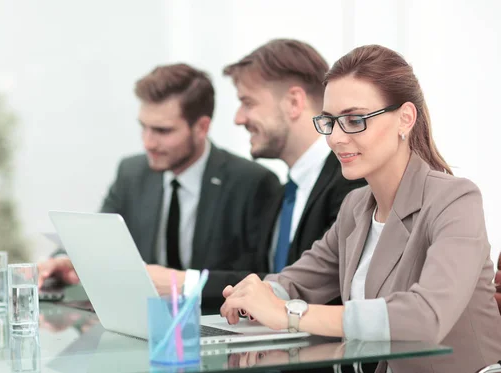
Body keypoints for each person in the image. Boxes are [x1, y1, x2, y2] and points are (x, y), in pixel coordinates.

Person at [219, 44, 501, 372]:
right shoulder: (356, 206)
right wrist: (256, 295)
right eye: (330, 121)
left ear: (405, 119)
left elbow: (426, 317)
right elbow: (301, 279)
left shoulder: (455, 200)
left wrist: (289, 314)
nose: (336, 138)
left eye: (354, 120)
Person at [37, 63, 281, 293]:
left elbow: (265, 280)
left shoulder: (252, 183)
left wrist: (186, 284)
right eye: (144, 127)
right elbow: (97, 239)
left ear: (202, 127)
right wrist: (65, 261)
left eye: (162, 131)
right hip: (144, 322)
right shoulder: (131, 173)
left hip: (215, 322)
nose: (148, 142)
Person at [167, 39, 365, 307]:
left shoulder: (352, 184)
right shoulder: (280, 194)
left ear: (294, 102)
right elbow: (263, 281)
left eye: (248, 103)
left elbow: (316, 286)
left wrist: (182, 283)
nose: (239, 118)